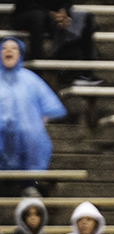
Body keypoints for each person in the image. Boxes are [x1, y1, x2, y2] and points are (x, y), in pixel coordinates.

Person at [0, 37, 66, 172]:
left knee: (34, 136)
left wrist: (42, 118)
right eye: (4, 48)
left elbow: (49, 105)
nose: (9, 51)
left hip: (26, 132)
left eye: (13, 48)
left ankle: (29, 184)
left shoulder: (30, 79)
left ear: (20, 54)